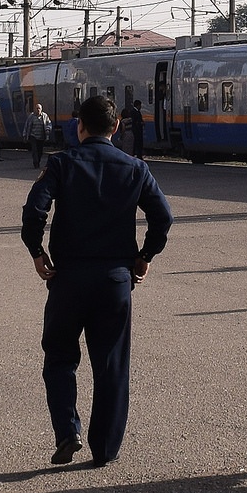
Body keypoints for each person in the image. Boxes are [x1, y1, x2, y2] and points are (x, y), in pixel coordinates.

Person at [22, 93, 173, 469]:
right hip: (115, 280)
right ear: (116, 127)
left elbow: (34, 209)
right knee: (111, 365)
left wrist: (37, 252)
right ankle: (104, 449)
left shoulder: (62, 164)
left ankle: (66, 431)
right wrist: (145, 255)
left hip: (69, 277)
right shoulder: (136, 168)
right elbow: (163, 217)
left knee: (59, 357)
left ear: (79, 126)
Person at [26, 100, 52, 169]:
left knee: (40, 151)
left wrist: (48, 129)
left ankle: (38, 161)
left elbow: (49, 123)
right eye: (37, 108)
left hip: (41, 136)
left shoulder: (45, 116)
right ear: (35, 109)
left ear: (41, 109)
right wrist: (25, 135)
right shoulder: (31, 116)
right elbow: (27, 125)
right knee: (34, 150)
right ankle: (36, 163)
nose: (38, 110)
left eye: (39, 108)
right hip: (33, 136)